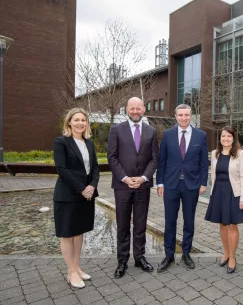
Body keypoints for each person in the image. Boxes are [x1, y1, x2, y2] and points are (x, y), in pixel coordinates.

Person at [107, 97, 158, 278]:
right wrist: (125, 178)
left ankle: (139, 257)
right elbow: (111, 157)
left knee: (140, 223)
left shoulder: (151, 131)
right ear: (126, 109)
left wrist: (144, 178)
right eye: (132, 108)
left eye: (138, 108)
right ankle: (122, 261)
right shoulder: (116, 130)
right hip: (122, 186)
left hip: (143, 186)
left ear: (143, 109)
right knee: (122, 224)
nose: (135, 111)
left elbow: (154, 159)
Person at [156, 104, 208, 272]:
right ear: (176, 116)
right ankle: (169, 255)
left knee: (189, 221)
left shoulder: (200, 135)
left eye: (187, 115)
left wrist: (203, 183)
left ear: (191, 116)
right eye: (180, 115)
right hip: (171, 184)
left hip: (191, 185)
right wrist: (160, 182)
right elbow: (161, 160)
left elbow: (203, 163)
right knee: (170, 221)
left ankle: (186, 253)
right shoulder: (168, 135)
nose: (184, 118)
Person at [53, 108, 99, 289]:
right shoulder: (61, 142)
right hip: (67, 195)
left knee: (79, 232)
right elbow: (62, 169)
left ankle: (76, 267)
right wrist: (82, 189)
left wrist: (92, 186)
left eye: (83, 120)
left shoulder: (89, 144)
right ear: (69, 122)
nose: (80, 123)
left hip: (86, 195)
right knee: (67, 234)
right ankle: (71, 272)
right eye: (76, 120)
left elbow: (95, 168)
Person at [205, 126, 243, 274]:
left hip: (234, 193)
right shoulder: (214, 154)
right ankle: (225, 253)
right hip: (218, 192)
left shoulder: (240, 154)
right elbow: (213, 175)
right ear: (220, 138)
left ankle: (232, 257)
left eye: (229, 136)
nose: (226, 139)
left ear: (233, 139)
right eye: (223, 136)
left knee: (232, 225)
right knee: (222, 224)